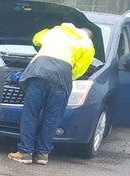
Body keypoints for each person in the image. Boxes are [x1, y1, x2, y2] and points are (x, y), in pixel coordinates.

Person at [8, 23, 95, 165]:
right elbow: (80, 69)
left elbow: (36, 39)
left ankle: (25, 152)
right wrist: (67, 76)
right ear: (89, 37)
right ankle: (43, 154)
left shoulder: (57, 30)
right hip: (61, 77)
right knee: (52, 117)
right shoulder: (87, 44)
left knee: (31, 113)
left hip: (39, 72)